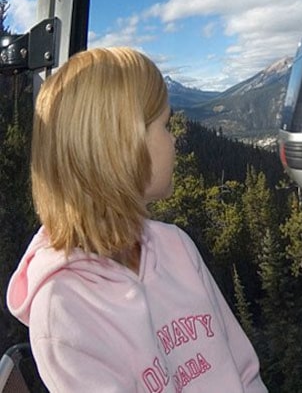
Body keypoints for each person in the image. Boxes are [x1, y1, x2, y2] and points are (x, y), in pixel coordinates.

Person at [6, 47, 267, 393]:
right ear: (122, 147)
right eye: (165, 125)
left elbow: (245, 373)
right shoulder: (63, 309)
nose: (174, 139)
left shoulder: (176, 246)